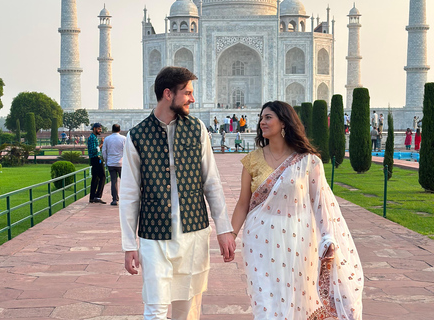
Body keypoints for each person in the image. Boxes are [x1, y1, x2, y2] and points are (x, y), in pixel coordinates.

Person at [119, 66, 236, 320]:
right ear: (168, 94)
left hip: (194, 233)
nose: (193, 99)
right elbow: (129, 194)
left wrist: (224, 229)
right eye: (188, 93)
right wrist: (129, 244)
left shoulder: (197, 130)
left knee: (187, 308)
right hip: (154, 235)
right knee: (155, 307)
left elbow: (211, 182)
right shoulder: (137, 136)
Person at [230, 101, 363, 320]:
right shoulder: (252, 160)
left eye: (268, 117)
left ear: (284, 122)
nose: (262, 122)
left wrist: (328, 237)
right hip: (260, 241)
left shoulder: (308, 161)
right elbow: (243, 203)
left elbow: (320, 203)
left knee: (298, 300)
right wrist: (231, 235)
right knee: (266, 302)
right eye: (261, 117)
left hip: (299, 241)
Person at [102, 124, 126, 206]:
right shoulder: (123, 139)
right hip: (121, 163)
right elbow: (126, 151)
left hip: (111, 163)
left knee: (113, 181)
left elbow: (104, 151)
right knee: (125, 181)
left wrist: (106, 161)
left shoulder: (107, 139)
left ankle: (115, 199)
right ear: (119, 130)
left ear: (112, 130)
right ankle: (126, 198)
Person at [88, 123, 106, 204]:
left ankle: (92, 197)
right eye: (99, 129)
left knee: (95, 178)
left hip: (94, 159)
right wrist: (102, 143)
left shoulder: (94, 137)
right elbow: (94, 150)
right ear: (94, 128)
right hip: (95, 158)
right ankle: (98, 196)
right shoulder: (92, 138)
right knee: (102, 176)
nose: (100, 130)